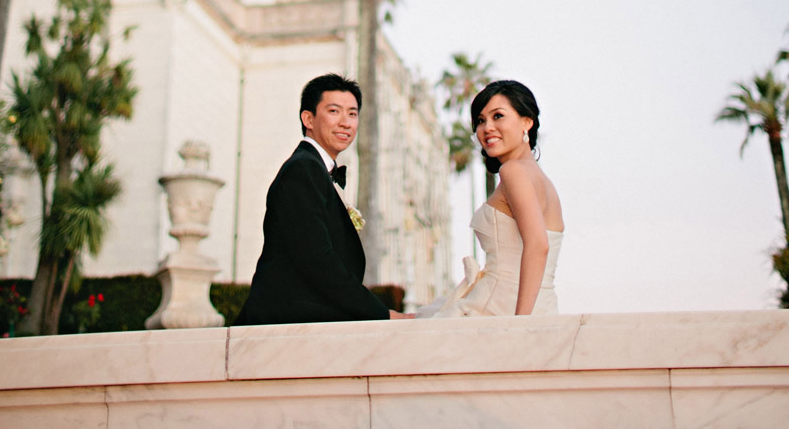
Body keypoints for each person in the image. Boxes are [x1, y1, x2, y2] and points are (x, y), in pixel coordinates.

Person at [234, 73, 409, 324]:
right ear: (309, 118)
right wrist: (382, 314)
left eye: (352, 113)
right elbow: (318, 261)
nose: (346, 122)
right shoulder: (302, 170)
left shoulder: (315, 169)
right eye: (334, 111)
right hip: (281, 329)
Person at [419, 79, 564, 317]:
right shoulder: (544, 181)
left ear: (527, 122)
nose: (487, 128)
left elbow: (538, 245)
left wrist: (520, 323)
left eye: (498, 116)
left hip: (503, 306)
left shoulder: (514, 171)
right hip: (544, 306)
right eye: (480, 121)